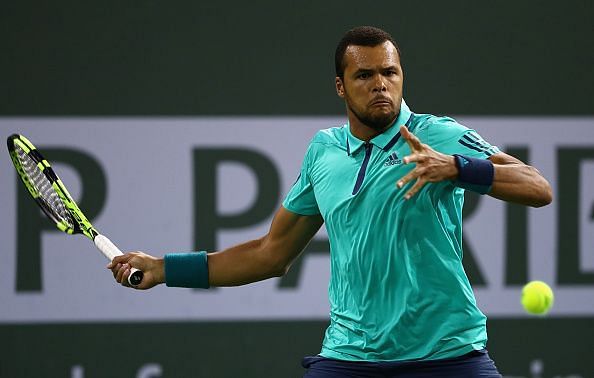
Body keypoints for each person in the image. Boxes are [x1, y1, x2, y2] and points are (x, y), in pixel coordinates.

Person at [109, 26, 552, 377]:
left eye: (389, 73)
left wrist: (456, 167)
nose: (380, 85)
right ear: (341, 87)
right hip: (350, 356)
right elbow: (271, 254)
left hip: (447, 356)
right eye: (365, 75)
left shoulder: (439, 136)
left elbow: (538, 187)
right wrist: (166, 269)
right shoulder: (323, 151)